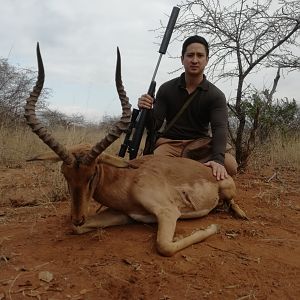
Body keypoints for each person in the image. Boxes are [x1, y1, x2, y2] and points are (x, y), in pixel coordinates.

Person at [138, 35, 238, 181]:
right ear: (182, 59)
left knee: (230, 166)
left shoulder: (216, 95)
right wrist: (145, 109)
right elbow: (155, 125)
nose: (195, 60)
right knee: (152, 165)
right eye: (190, 55)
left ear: (207, 60)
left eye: (200, 55)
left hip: (200, 147)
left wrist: (217, 160)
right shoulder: (166, 89)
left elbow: (219, 129)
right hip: (170, 145)